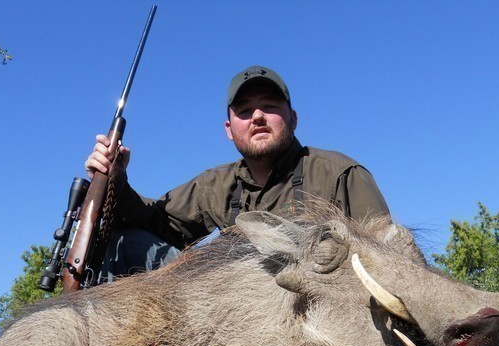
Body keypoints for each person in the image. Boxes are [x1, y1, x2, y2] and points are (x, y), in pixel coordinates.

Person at [85, 65, 390, 278]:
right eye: (244, 110)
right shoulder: (216, 185)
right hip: (232, 315)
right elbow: (157, 222)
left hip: (314, 317)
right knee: (125, 243)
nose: (257, 116)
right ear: (229, 130)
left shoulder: (340, 174)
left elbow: (389, 260)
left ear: (293, 119)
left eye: (270, 106)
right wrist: (116, 184)